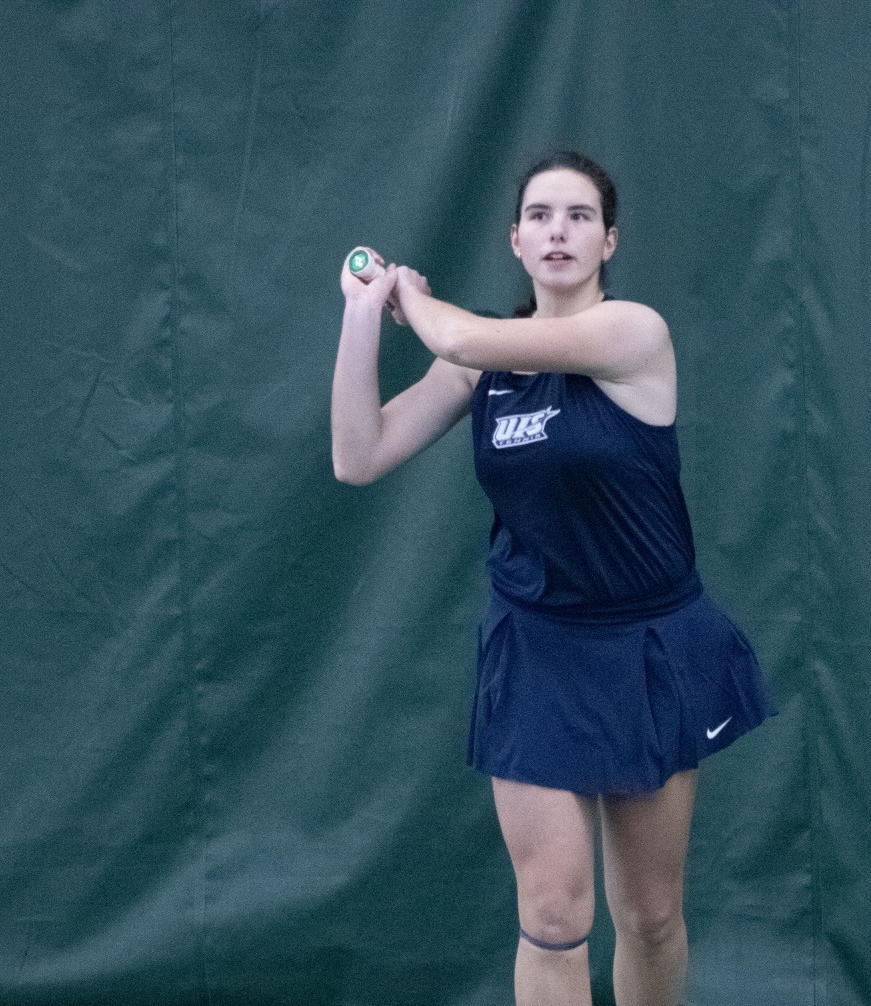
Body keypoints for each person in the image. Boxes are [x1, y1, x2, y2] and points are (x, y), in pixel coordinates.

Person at [330, 151, 773, 1006]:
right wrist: (361, 315)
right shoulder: (476, 366)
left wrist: (410, 296)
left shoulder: (630, 333)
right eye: (539, 216)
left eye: (577, 216)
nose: (557, 231)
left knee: (647, 916)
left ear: (608, 241)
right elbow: (359, 455)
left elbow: (459, 332)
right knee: (552, 915)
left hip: (652, 645)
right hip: (536, 649)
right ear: (516, 241)